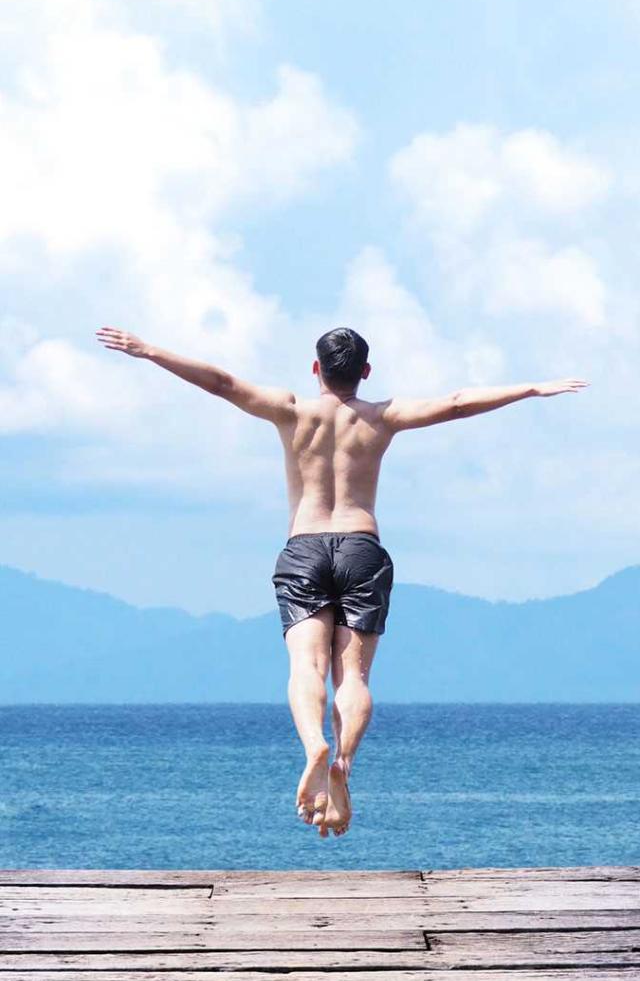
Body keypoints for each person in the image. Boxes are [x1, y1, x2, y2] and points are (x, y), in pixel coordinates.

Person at [95, 324, 588, 838]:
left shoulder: (291, 410)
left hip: (305, 546)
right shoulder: (382, 416)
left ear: (316, 369)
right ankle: (343, 764)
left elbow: (220, 382)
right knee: (352, 678)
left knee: (305, 664)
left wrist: (150, 350)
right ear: (366, 372)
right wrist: (531, 388)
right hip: (360, 546)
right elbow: (459, 402)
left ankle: (314, 745)